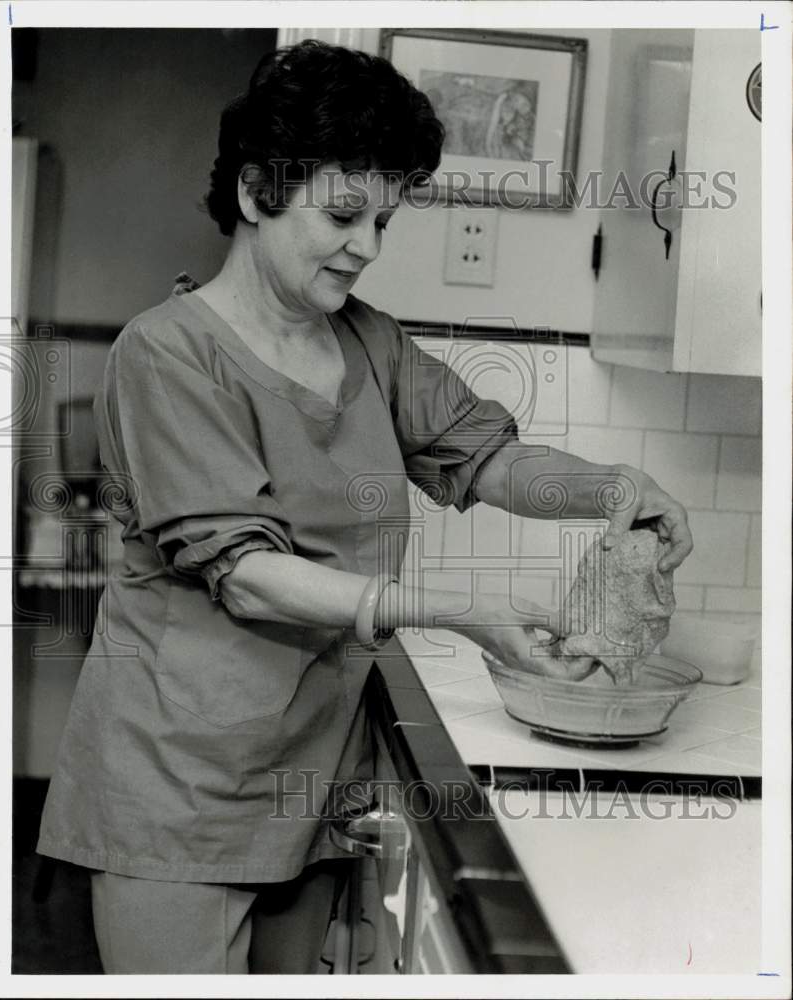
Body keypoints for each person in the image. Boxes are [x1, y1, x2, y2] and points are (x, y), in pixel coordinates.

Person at [36, 39, 693, 975]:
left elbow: (490, 458)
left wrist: (615, 491)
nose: (369, 247)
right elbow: (250, 578)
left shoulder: (369, 345)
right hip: (179, 784)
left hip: (314, 777)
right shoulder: (168, 355)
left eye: (385, 219)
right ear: (261, 191)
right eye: (345, 215)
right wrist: (460, 614)